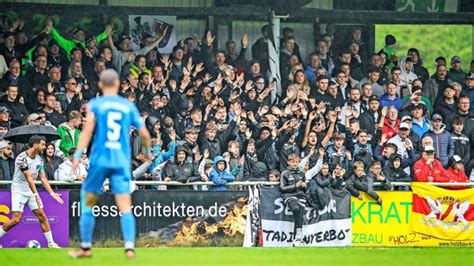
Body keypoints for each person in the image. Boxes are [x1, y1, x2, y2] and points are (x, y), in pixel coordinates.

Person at [68, 70, 152, 258]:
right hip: (121, 161)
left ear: (100, 85)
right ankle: (129, 247)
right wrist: (146, 153)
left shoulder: (96, 104)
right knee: (125, 205)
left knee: (88, 202)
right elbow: (144, 134)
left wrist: (77, 155)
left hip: (100, 159)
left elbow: (87, 131)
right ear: (118, 85)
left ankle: (86, 247)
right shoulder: (127, 106)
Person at [0, 135, 64, 248]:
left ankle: (51, 243)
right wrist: (36, 195)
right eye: (43, 144)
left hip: (31, 189)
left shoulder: (40, 158)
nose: (45, 147)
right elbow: (29, 178)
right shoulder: (21, 158)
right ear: (35, 145)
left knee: (42, 216)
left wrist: (52, 193)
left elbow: (43, 177)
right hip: (19, 189)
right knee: (16, 219)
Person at [280, 153, 307, 247]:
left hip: (301, 197)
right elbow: (282, 188)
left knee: (299, 216)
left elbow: (306, 189)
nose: (295, 163)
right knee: (295, 209)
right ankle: (299, 237)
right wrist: (295, 186)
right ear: (288, 162)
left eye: (296, 162)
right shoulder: (285, 173)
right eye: (292, 162)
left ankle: (297, 240)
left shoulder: (302, 173)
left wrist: (304, 186)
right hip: (289, 196)